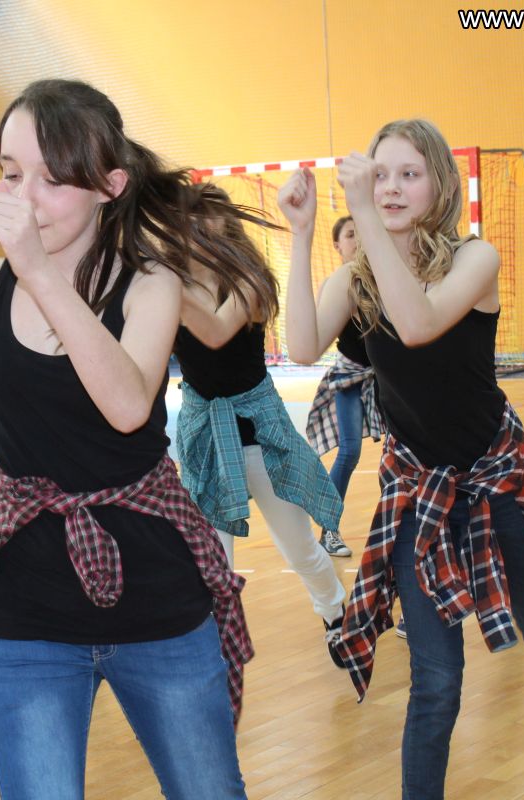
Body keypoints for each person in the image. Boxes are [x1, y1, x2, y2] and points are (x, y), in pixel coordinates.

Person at [0, 79, 251, 799]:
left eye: (52, 179)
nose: (24, 197)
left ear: (109, 186)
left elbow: (126, 406)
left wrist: (36, 269)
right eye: (10, 174)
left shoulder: (150, 284)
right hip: (26, 606)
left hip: (157, 599)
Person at [284, 120, 524, 800]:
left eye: (409, 174)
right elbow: (303, 347)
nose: (391, 188)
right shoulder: (356, 278)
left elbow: (419, 323)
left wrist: (364, 216)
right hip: (418, 488)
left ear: (439, 184)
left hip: (497, 477)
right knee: (435, 681)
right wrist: (302, 234)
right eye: (380, 174)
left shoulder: (475, 259)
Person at [171, 184, 349, 665]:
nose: (196, 225)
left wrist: (163, 285)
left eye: (206, 215)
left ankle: (336, 613)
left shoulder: (249, 278)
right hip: (205, 438)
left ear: (226, 223)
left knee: (299, 549)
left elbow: (216, 332)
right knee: (211, 559)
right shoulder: (171, 285)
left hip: (259, 438)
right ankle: (216, 647)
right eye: (187, 217)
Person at [302, 214, 385, 558]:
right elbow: (316, 338)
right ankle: (329, 530)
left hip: (387, 378)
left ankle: (401, 526)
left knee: (403, 450)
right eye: (351, 235)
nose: (358, 240)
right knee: (349, 452)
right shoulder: (336, 285)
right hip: (351, 377)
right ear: (337, 245)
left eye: (361, 233)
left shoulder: (384, 277)